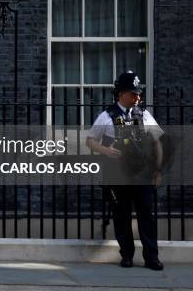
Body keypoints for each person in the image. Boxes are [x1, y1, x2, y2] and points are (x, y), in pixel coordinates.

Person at [86, 70, 164, 271]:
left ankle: (151, 258)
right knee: (122, 217)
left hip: (142, 175)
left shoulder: (144, 114)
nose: (138, 97)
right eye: (133, 93)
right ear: (121, 94)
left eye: (139, 93)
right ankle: (127, 256)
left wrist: (157, 170)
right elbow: (90, 141)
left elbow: (157, 142)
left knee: (146, 216)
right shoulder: (106, 116)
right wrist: (106, 150)